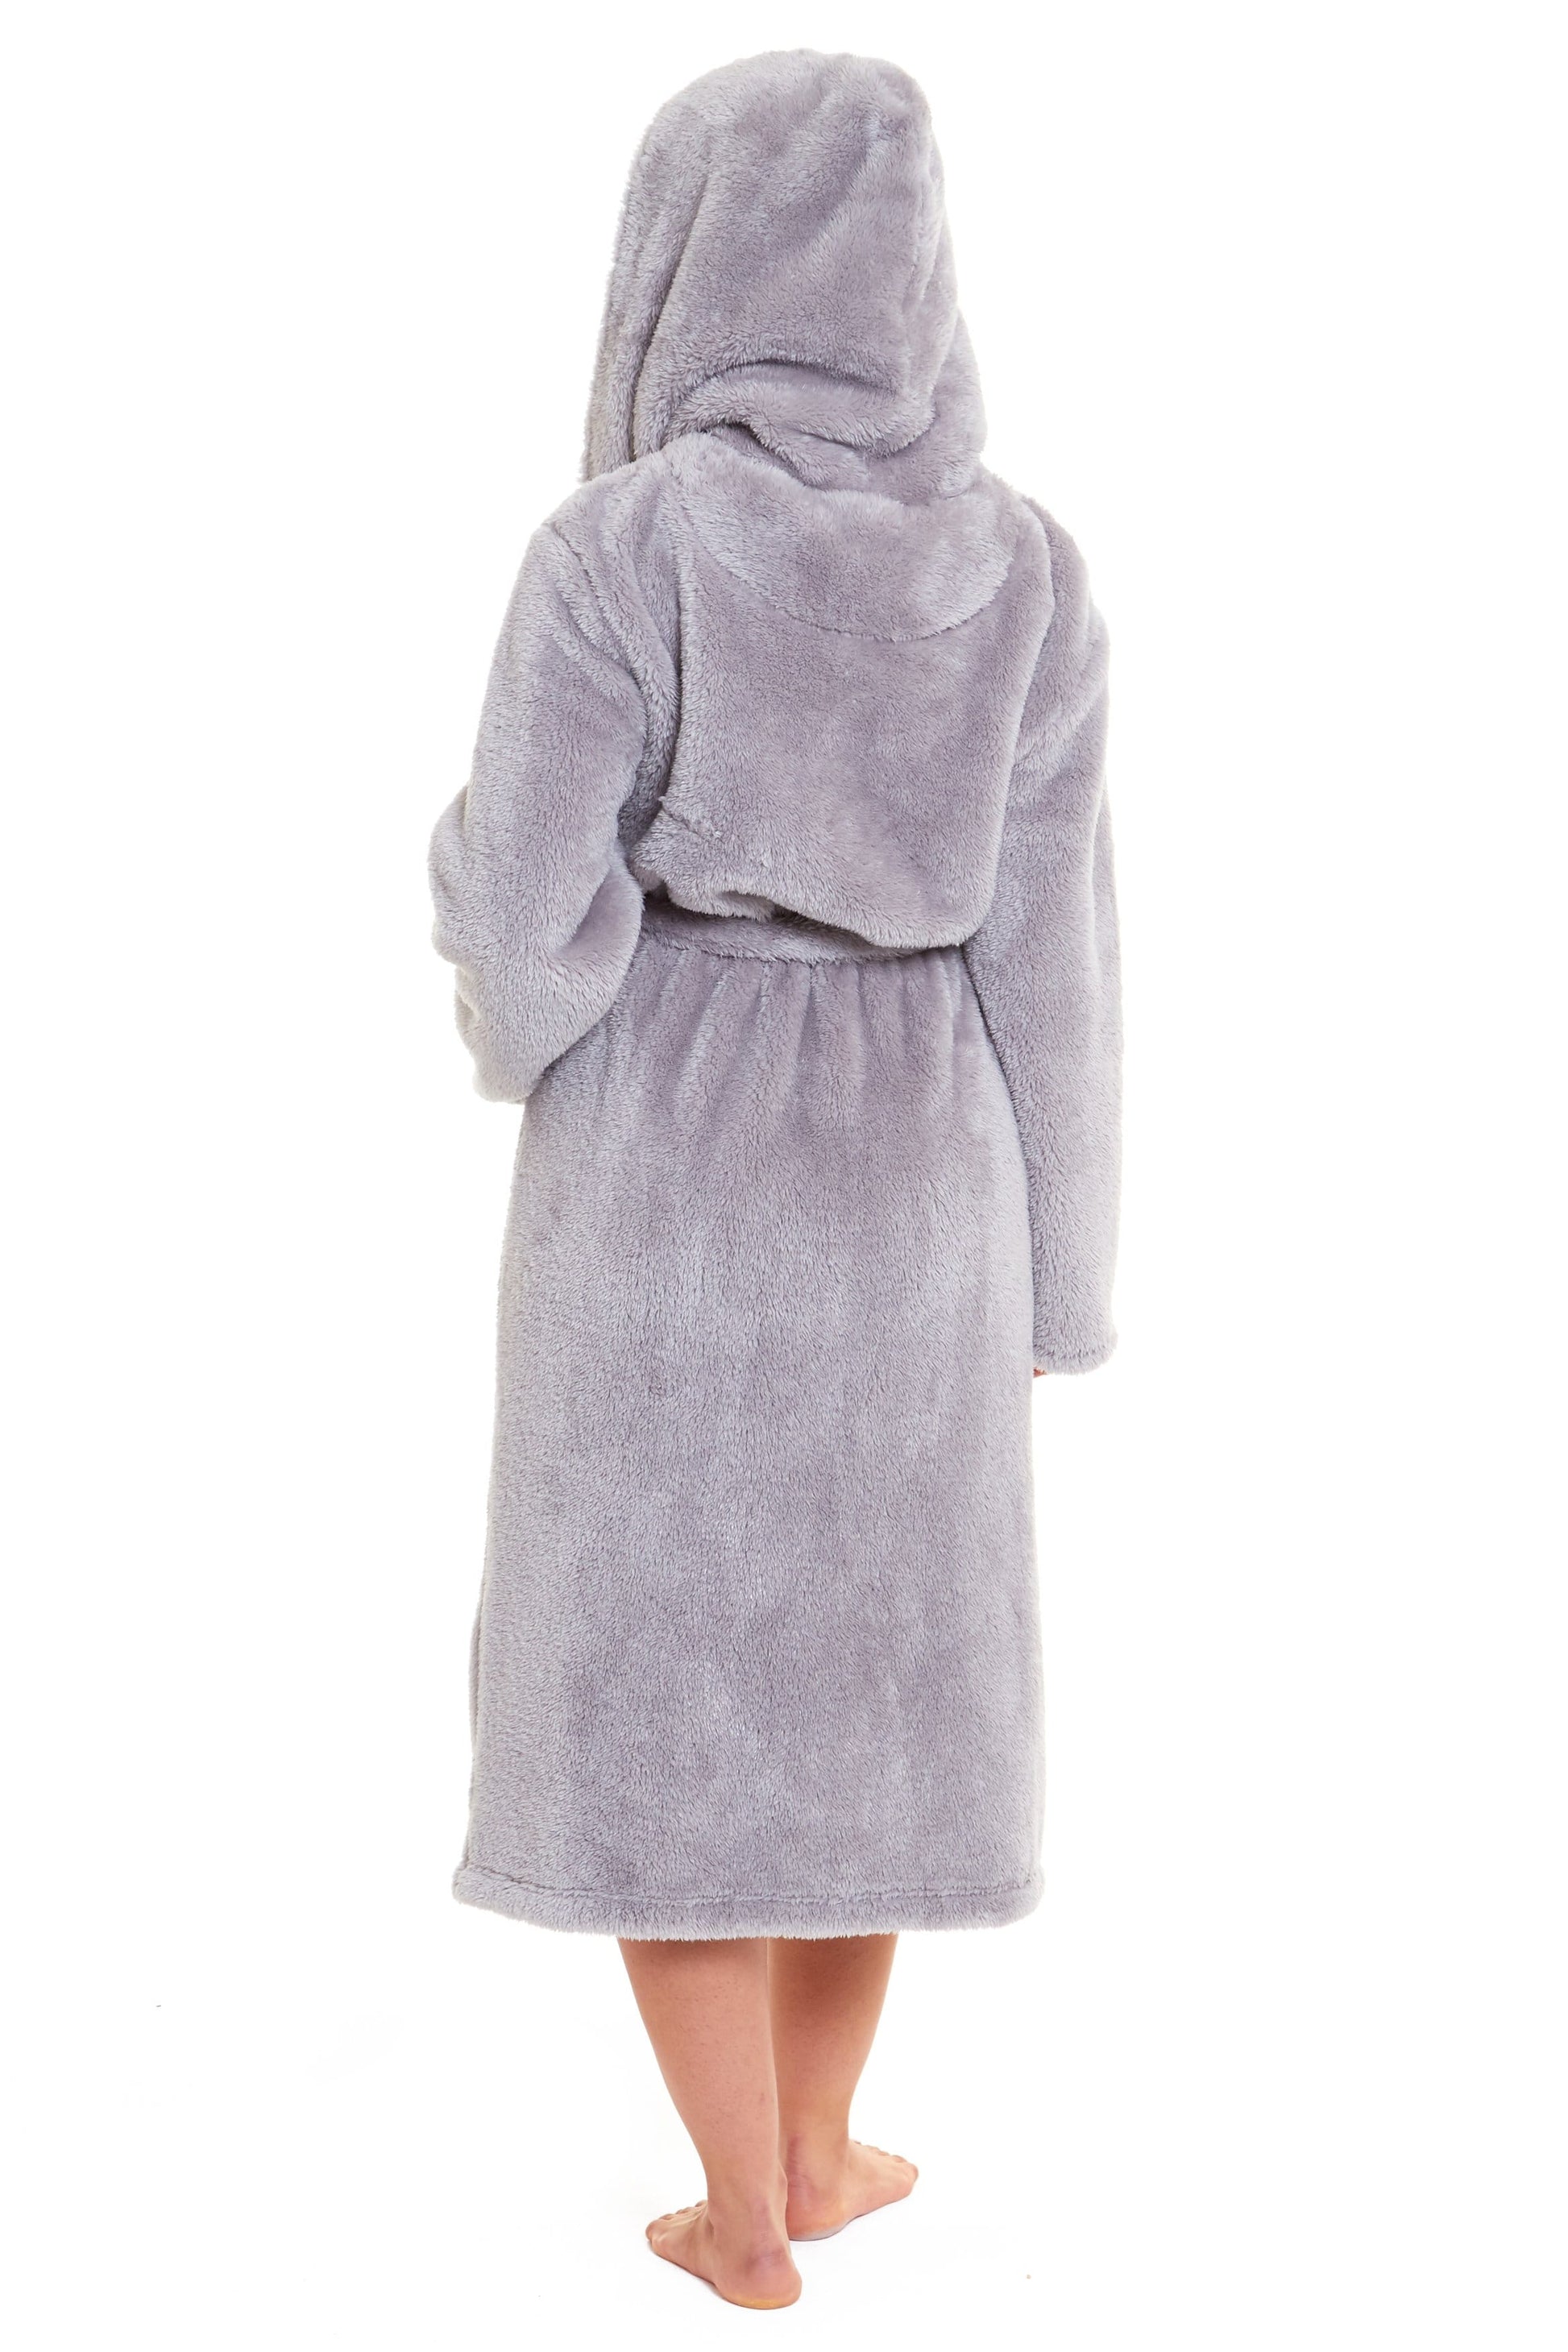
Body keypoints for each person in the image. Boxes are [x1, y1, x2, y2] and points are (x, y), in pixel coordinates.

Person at [429, 48, 1121, 2312]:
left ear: (686, 261)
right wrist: (1059, 1276)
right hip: (929, 1177)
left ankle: (739, 2209)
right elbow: (1057, 954)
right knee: (870, 1696)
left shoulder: (626, 548)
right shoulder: (1025, 570)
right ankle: (819, 2151)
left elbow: (522, 912)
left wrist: (515, 1012)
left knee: (670, 1700)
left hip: (679, 1172)